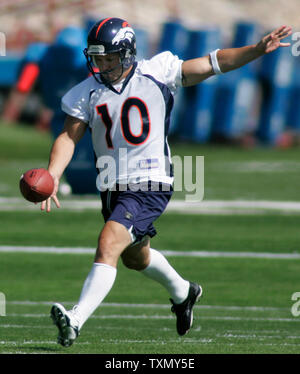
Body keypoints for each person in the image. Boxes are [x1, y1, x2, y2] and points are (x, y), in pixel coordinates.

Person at [41, 18, 292, 347]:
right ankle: (184, 292)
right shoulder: (85, 92)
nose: (103, 65)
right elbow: (68, 137)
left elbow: (212, 63)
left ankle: (75, 319)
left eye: (110, 58)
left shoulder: (157, 71)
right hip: (113, 185)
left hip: (150, 180)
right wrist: (54, 174)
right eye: (98, 59)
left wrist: (256, 50)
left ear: (128, 53)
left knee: (109, 242)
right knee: (135, 256)